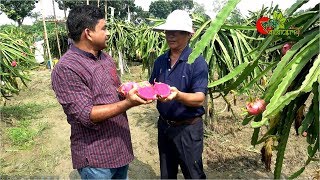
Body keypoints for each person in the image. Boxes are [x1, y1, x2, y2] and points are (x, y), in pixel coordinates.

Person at [51, 5, 150, 179]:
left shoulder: (105, 58)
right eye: (103, 28)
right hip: (96, 158)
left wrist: (129, 89)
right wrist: (129, 103)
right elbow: (86, 114)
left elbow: (113, 92)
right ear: (88, 33)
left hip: (120, 148)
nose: (108, 33)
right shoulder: (67, 68)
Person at [149, 9, 208, 179]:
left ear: (189, 34)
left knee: (193, 174)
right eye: (168, 31)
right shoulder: (160, 60)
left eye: (177, 32)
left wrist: (178, 95)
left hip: (188, 129)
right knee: (167, 174)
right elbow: (152, 85)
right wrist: (139, 88)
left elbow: (199, 98)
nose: (171, 36)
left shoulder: (197, 62)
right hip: (165, 126)